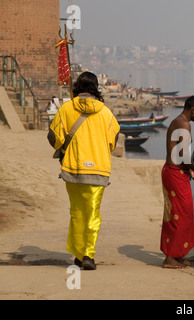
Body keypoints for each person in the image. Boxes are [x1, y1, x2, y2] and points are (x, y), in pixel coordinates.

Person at [47, 71, 120, 270]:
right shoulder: (105, 112)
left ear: (77, 87)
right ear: (96, 87)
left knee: (77, 212)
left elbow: (54, 138)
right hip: (98, 170)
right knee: (93, 213)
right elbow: (113, 142)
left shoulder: (66, 108)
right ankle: (88, 253)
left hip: (73, 168)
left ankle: (79, 255)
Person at [160, 95, 194, 269]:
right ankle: (170, 258)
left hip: (177, 172)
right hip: (174, 174)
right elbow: (184, 156)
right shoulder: (184, 124)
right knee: (179, 215)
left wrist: (190, 169)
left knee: (182, 214)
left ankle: (177, 255)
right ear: (193, 109)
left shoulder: (179, 121)